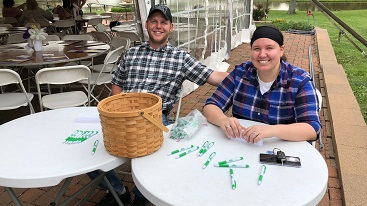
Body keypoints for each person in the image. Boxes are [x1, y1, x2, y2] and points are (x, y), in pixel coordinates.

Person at [94, 4, 228, 206]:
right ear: (147, 24)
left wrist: (246, 74)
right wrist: (117, 106)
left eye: (163, 22)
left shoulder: (180, 58)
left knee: (157, 158)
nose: (158, 26)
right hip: (122, 115)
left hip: (155, 118)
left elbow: (213, 76)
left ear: (170, 27)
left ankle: (141, 197)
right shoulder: (131, 53)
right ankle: (118, 190)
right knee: (89, 151)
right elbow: (117, 82)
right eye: (154, 21)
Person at [202, 25, 321, 144]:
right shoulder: (240, 74)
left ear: (281, 50)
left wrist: (272, 130)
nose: (262, 54)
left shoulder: (299, 81)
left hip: (281, 151)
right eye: (257, 48)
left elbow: (312, 128)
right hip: (242, 146)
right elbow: (211, 105)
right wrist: (223, 119)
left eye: (269, 48)